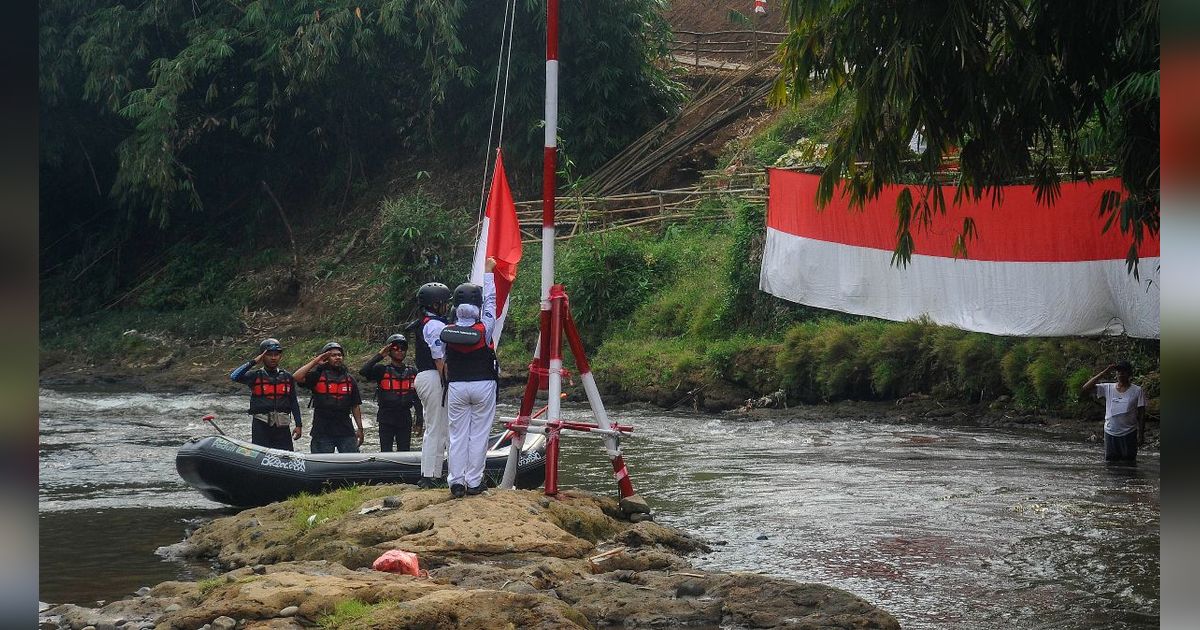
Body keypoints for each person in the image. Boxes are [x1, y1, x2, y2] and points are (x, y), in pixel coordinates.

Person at [441, 258, 500, 498]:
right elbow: (492, 303)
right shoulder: (484, 328)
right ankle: (474, 482)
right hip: (483, 385)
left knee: (457, 436)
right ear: (477, 304)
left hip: (456, 387)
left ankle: (456, 482)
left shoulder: (448, 329)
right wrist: (489, 272)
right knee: (479, 435)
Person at [410, 281, 452, 488]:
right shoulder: (434, 325)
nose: (447, 306)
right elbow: (439, 358)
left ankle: (433, 473)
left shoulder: (428, 321)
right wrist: (447, 381)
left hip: (428, 376)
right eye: (444, 303)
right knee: (436, 428)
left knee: (438, 427)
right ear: (435, 304)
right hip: (433, 376)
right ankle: (428, 475)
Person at [229, 338, 303, 450]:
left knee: (286, 457)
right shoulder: (254, 376)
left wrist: (298, 425)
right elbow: (234, 376)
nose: (273, 358)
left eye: (276, 354)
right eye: (269, 355)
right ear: (263, 356)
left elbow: (293, 401)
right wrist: (253, 362)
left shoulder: (287, 377)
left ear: (280, 356)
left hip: (282, 427)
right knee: (260, 455)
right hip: (261, 426)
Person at [294, 341, 364, 453]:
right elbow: (297, 377)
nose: (337, 357)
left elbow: (355, 406)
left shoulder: (350, 380)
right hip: (322, 431)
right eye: (333, 355)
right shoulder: (317, 376)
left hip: (345, 430)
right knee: (321, 464)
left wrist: (360, 429)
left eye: (339, 355)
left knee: (351, 463)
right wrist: (316, 361)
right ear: (326, 358)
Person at [359, 333, 423, 452]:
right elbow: (363, 371)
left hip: (405, 417)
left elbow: (417, 398)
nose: (400, 351)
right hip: (386, 417)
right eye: (395, 348)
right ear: (389, 351)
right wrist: (380, 355)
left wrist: (419, 421)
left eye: (403, 348)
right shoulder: (381, 370)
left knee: (404, 451)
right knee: (386, 450)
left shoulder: (413, 372)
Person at [1081, 360, 1147, 463]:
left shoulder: (1137, 390)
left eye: (1123, 371)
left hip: (1129, 433)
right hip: (1110, 432)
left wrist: (1141, 435)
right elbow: (1086, 388)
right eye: (1118, 371)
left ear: (1129, 373)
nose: (1120, 374)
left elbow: (1142, 415)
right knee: (1111, 464)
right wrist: (1104, 373)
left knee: (1129, 463)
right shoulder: (1108, 387)